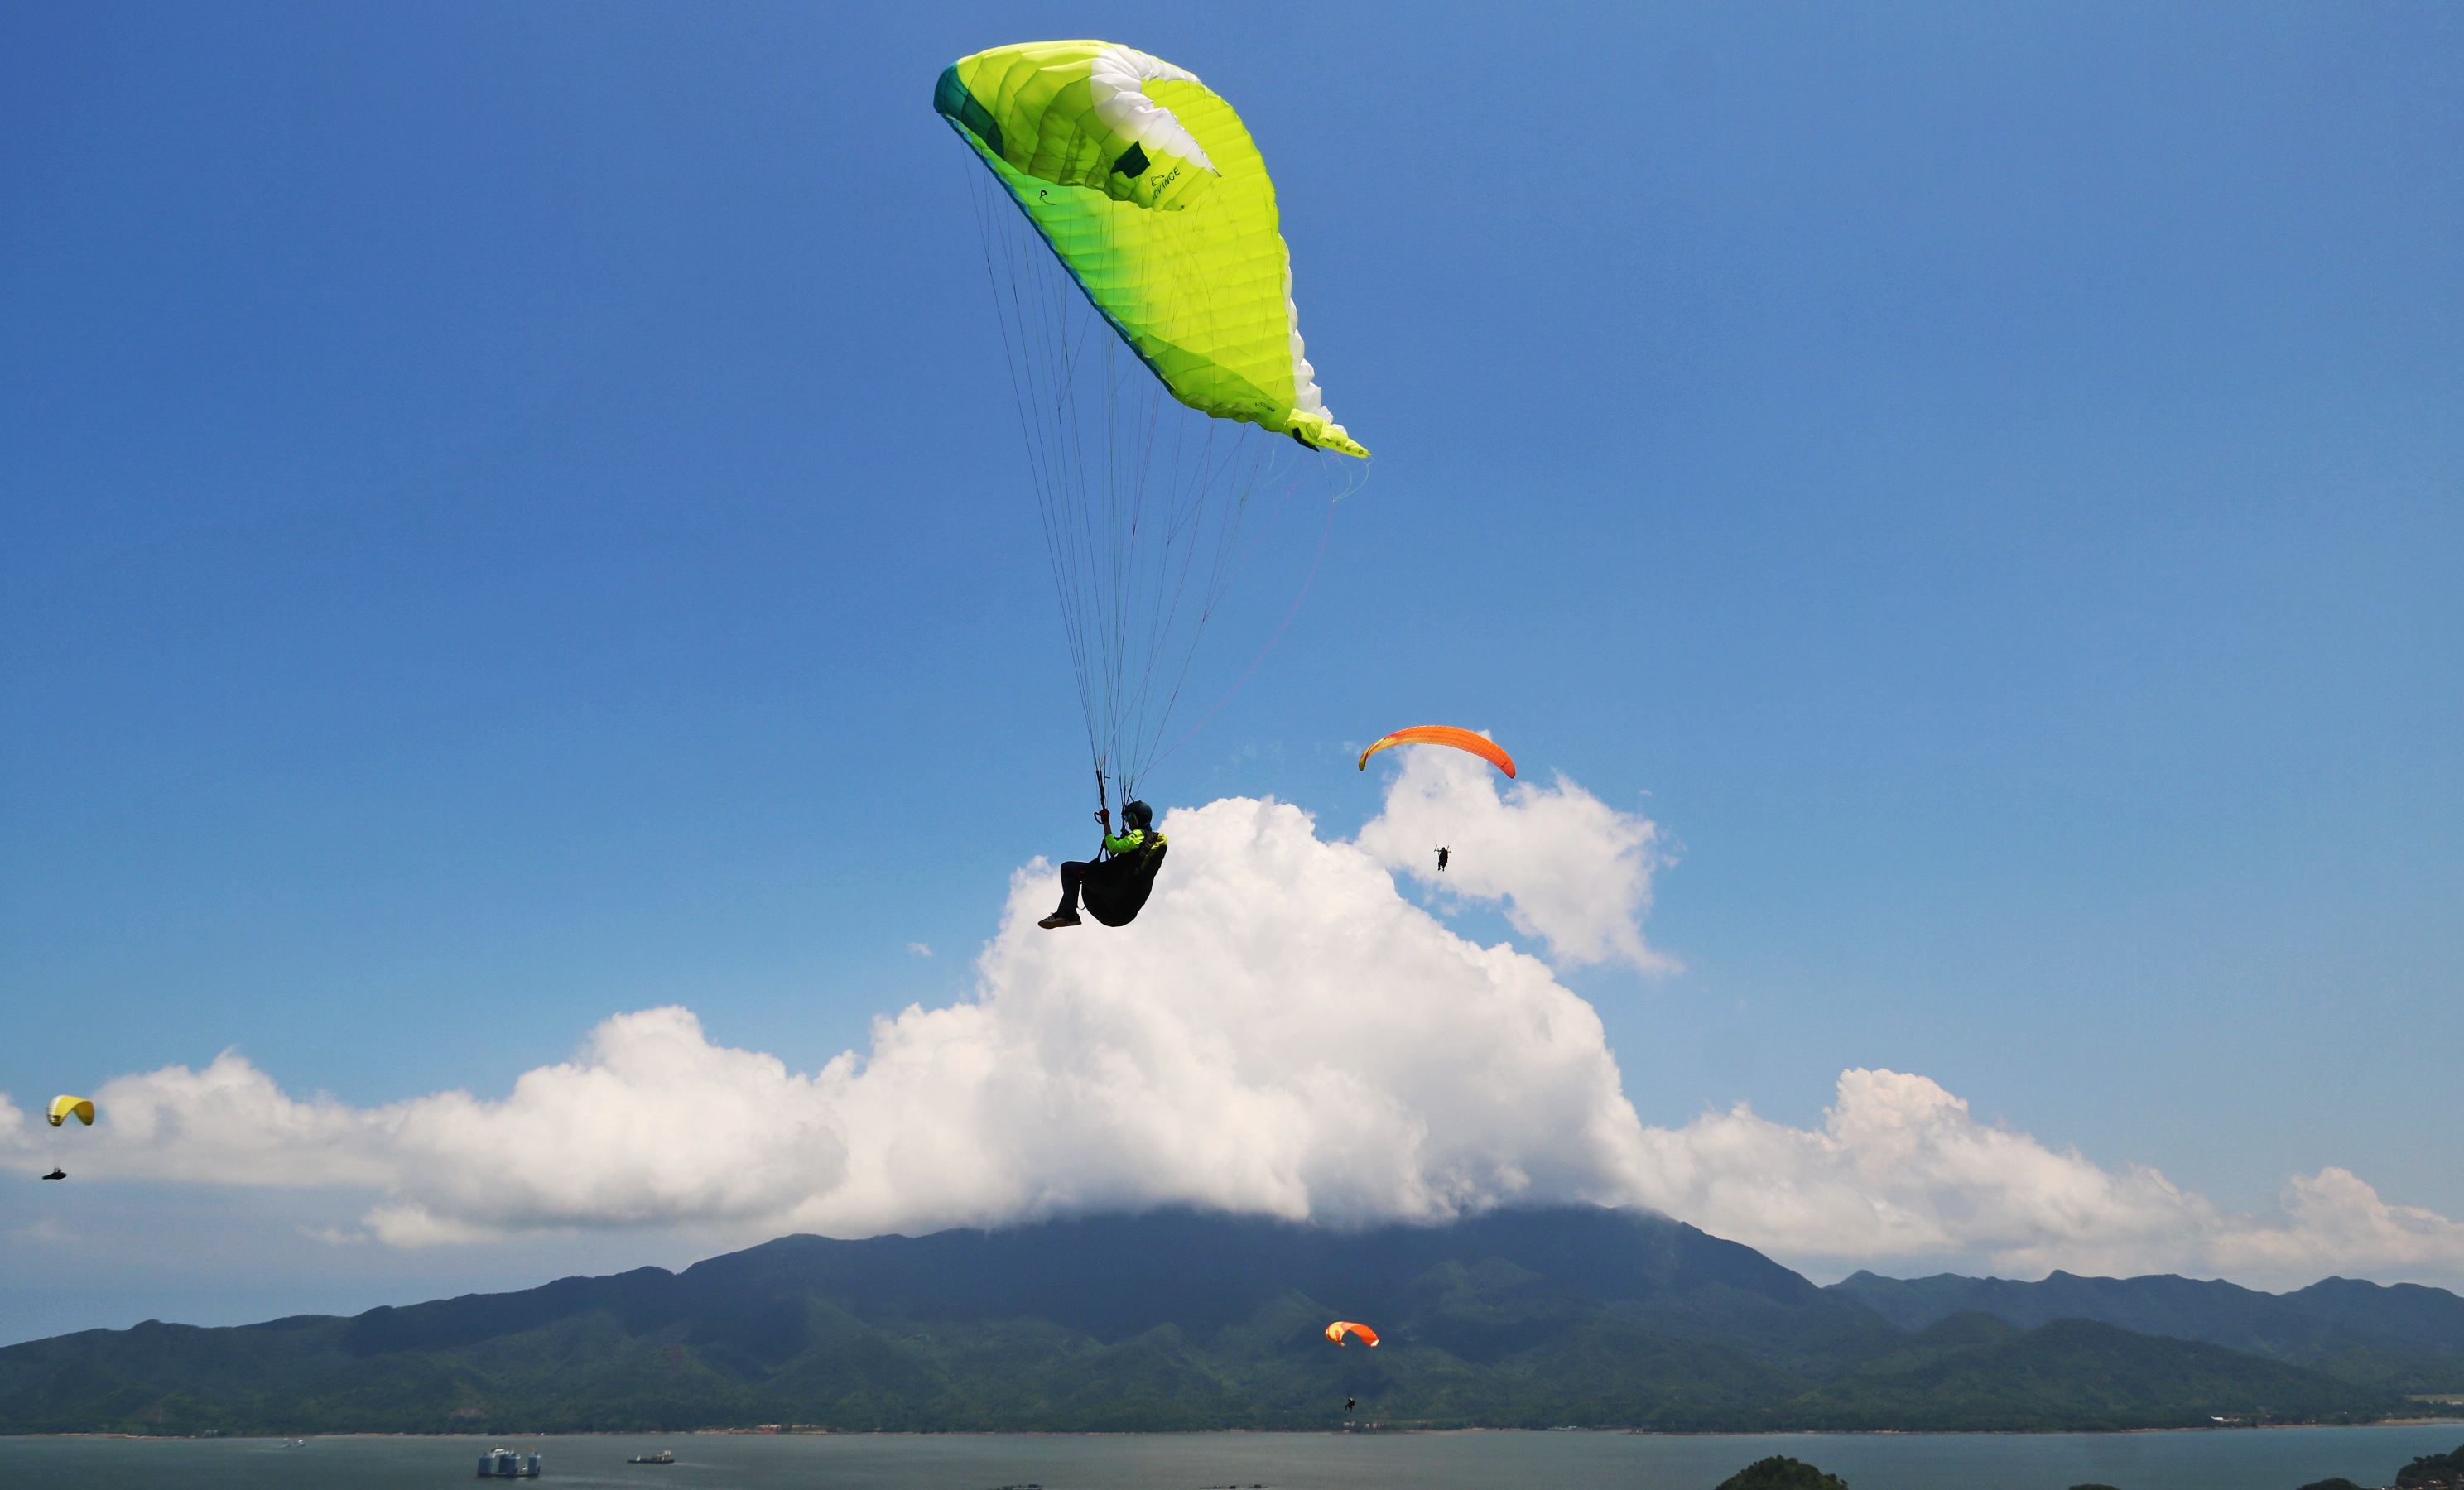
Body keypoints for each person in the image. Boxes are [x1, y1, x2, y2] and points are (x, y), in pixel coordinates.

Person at [1040, 800, 1167, 929]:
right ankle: (1067, 913)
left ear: (1140, 817)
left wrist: (1106, 822)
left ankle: (1068, 913)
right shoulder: (1146, 842)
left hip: (1112, 888)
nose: (1127, 821)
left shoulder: (1139, 834)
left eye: (1129, 817)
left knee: (1068, 869)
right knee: (1073, 870)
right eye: (1125, 817)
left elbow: (1113, 847)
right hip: (1124, 909)